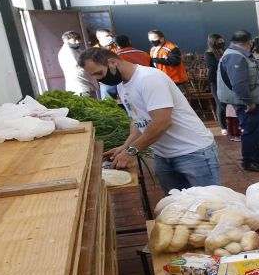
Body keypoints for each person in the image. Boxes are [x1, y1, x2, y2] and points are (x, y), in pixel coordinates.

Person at [78, 47, 221, 192]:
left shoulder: (148, 79)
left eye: (99, 73)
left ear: (113, 62)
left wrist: (132, 151)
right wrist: (126, 146)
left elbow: (162, 122)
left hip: (193, 153)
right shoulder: (122, 85)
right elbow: (138, 118)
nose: (99, 79)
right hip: (163, 155)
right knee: (177, 203)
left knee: (210, 202)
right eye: (94, 76)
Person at [218, 30, 259, 172]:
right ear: (250, 42)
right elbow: (239, 83)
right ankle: (249, 161)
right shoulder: (235, 56)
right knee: (251, 132)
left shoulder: (240, 54)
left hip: (256, 100)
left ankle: (256, 156)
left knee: (257, 131)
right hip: (249, 103)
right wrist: (248, 102)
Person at [58, 31, 96, 97]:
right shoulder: (67, 51)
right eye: (74, 40)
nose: (77, 42)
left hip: (85, 83)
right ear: (66, 40)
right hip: (79, 86)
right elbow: (78, 65)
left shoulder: (75, 49)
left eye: (78, 40)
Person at [205, 33, 228, 135]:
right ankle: (223, 127)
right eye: (219, 41)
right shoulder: (208, 54)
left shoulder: (226, 51)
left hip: (227, 80)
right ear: (213, 42)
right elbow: (214, 66)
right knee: (220, 104)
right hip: (216, 81)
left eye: (222, 41)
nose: (222, 43)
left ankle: (236, 124)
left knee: (233, 103)